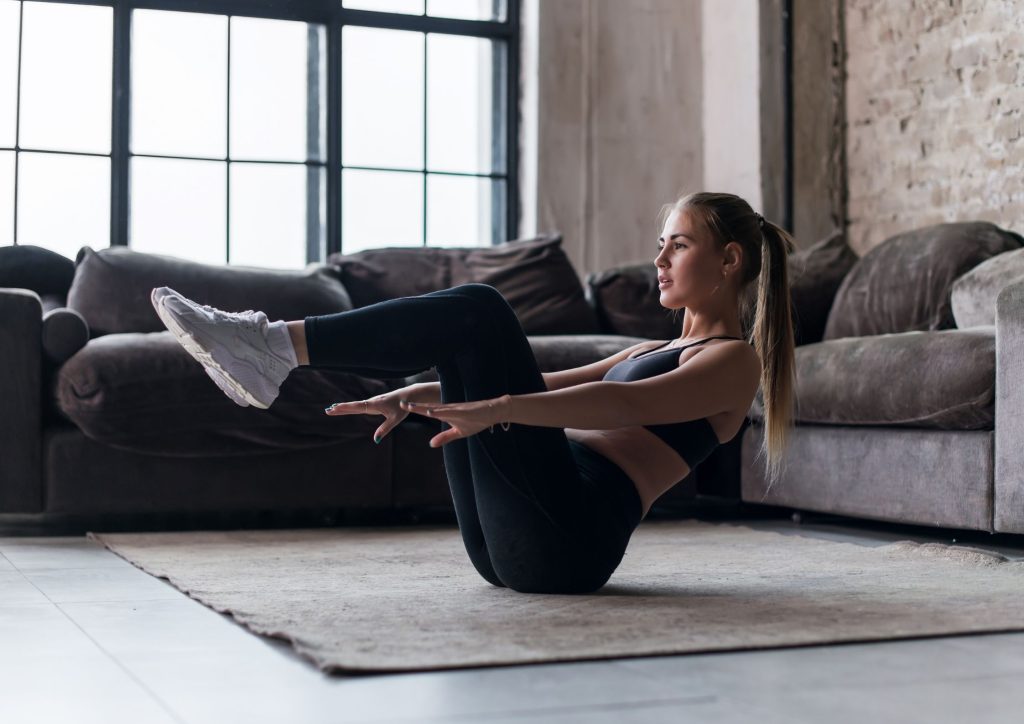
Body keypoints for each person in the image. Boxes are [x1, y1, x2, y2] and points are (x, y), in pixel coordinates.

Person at [150, 191, 795, 595]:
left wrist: (502, 410)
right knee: (468, 333)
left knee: (482, 309)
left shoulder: (735, 362)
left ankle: (271, 346)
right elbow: (535, 385)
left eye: (677, 247)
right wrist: (418, 394)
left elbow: (626, 406)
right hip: (512, 547)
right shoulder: (652, 350)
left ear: (730, 260)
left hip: (569, 541)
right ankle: (273, 351)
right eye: (660, 247)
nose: (659, 261)